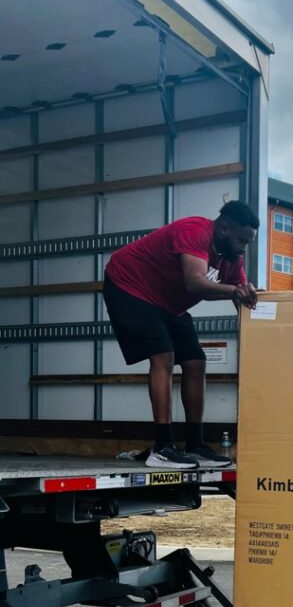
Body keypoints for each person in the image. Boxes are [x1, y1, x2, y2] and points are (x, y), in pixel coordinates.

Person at [103, 201, 260, 469]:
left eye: (248, 242)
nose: (243, 248)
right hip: (129, 285)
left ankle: (195, 444)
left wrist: (262, 335)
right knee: (163, 356)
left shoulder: (232, 259)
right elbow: (195, 282)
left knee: (195, 362)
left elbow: (243, 299)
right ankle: (163, 447)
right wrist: (235, 291)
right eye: (242, 240)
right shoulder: (195, 230)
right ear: (224, 228)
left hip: (168, 304)